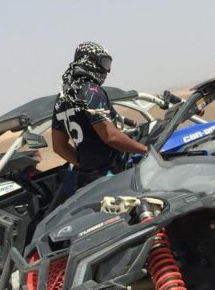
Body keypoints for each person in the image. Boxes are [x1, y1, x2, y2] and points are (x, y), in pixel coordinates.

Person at [51, 41, 147, 190]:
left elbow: (59, 146)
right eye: (104, 63)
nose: (106, 70)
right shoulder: (91, 90)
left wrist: (85, 164)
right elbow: (110, 136)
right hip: (109, 177)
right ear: (88, 61)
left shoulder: (62, 97)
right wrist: (146, 151)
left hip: (86, 181)